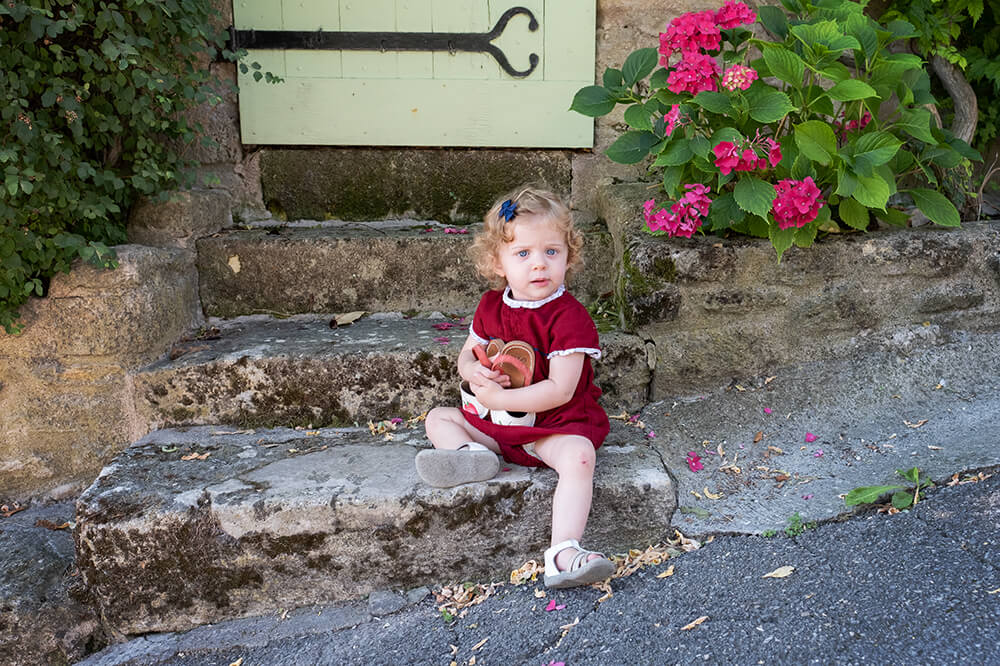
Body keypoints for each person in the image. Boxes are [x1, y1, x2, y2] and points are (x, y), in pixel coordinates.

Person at [416, 186, 615, 589]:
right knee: (438, 417)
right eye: (523, 254)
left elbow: (560, 389)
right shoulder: (490, 306)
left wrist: (500, 397)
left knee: (579, 457)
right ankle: (469, 456)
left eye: (551, 252)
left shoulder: (569, 318)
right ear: (498, 262)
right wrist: (474, 373)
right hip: (495, 426)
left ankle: (563, 552)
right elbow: (466, 356)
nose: (539, 265)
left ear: (568, 256)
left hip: (550, 429)